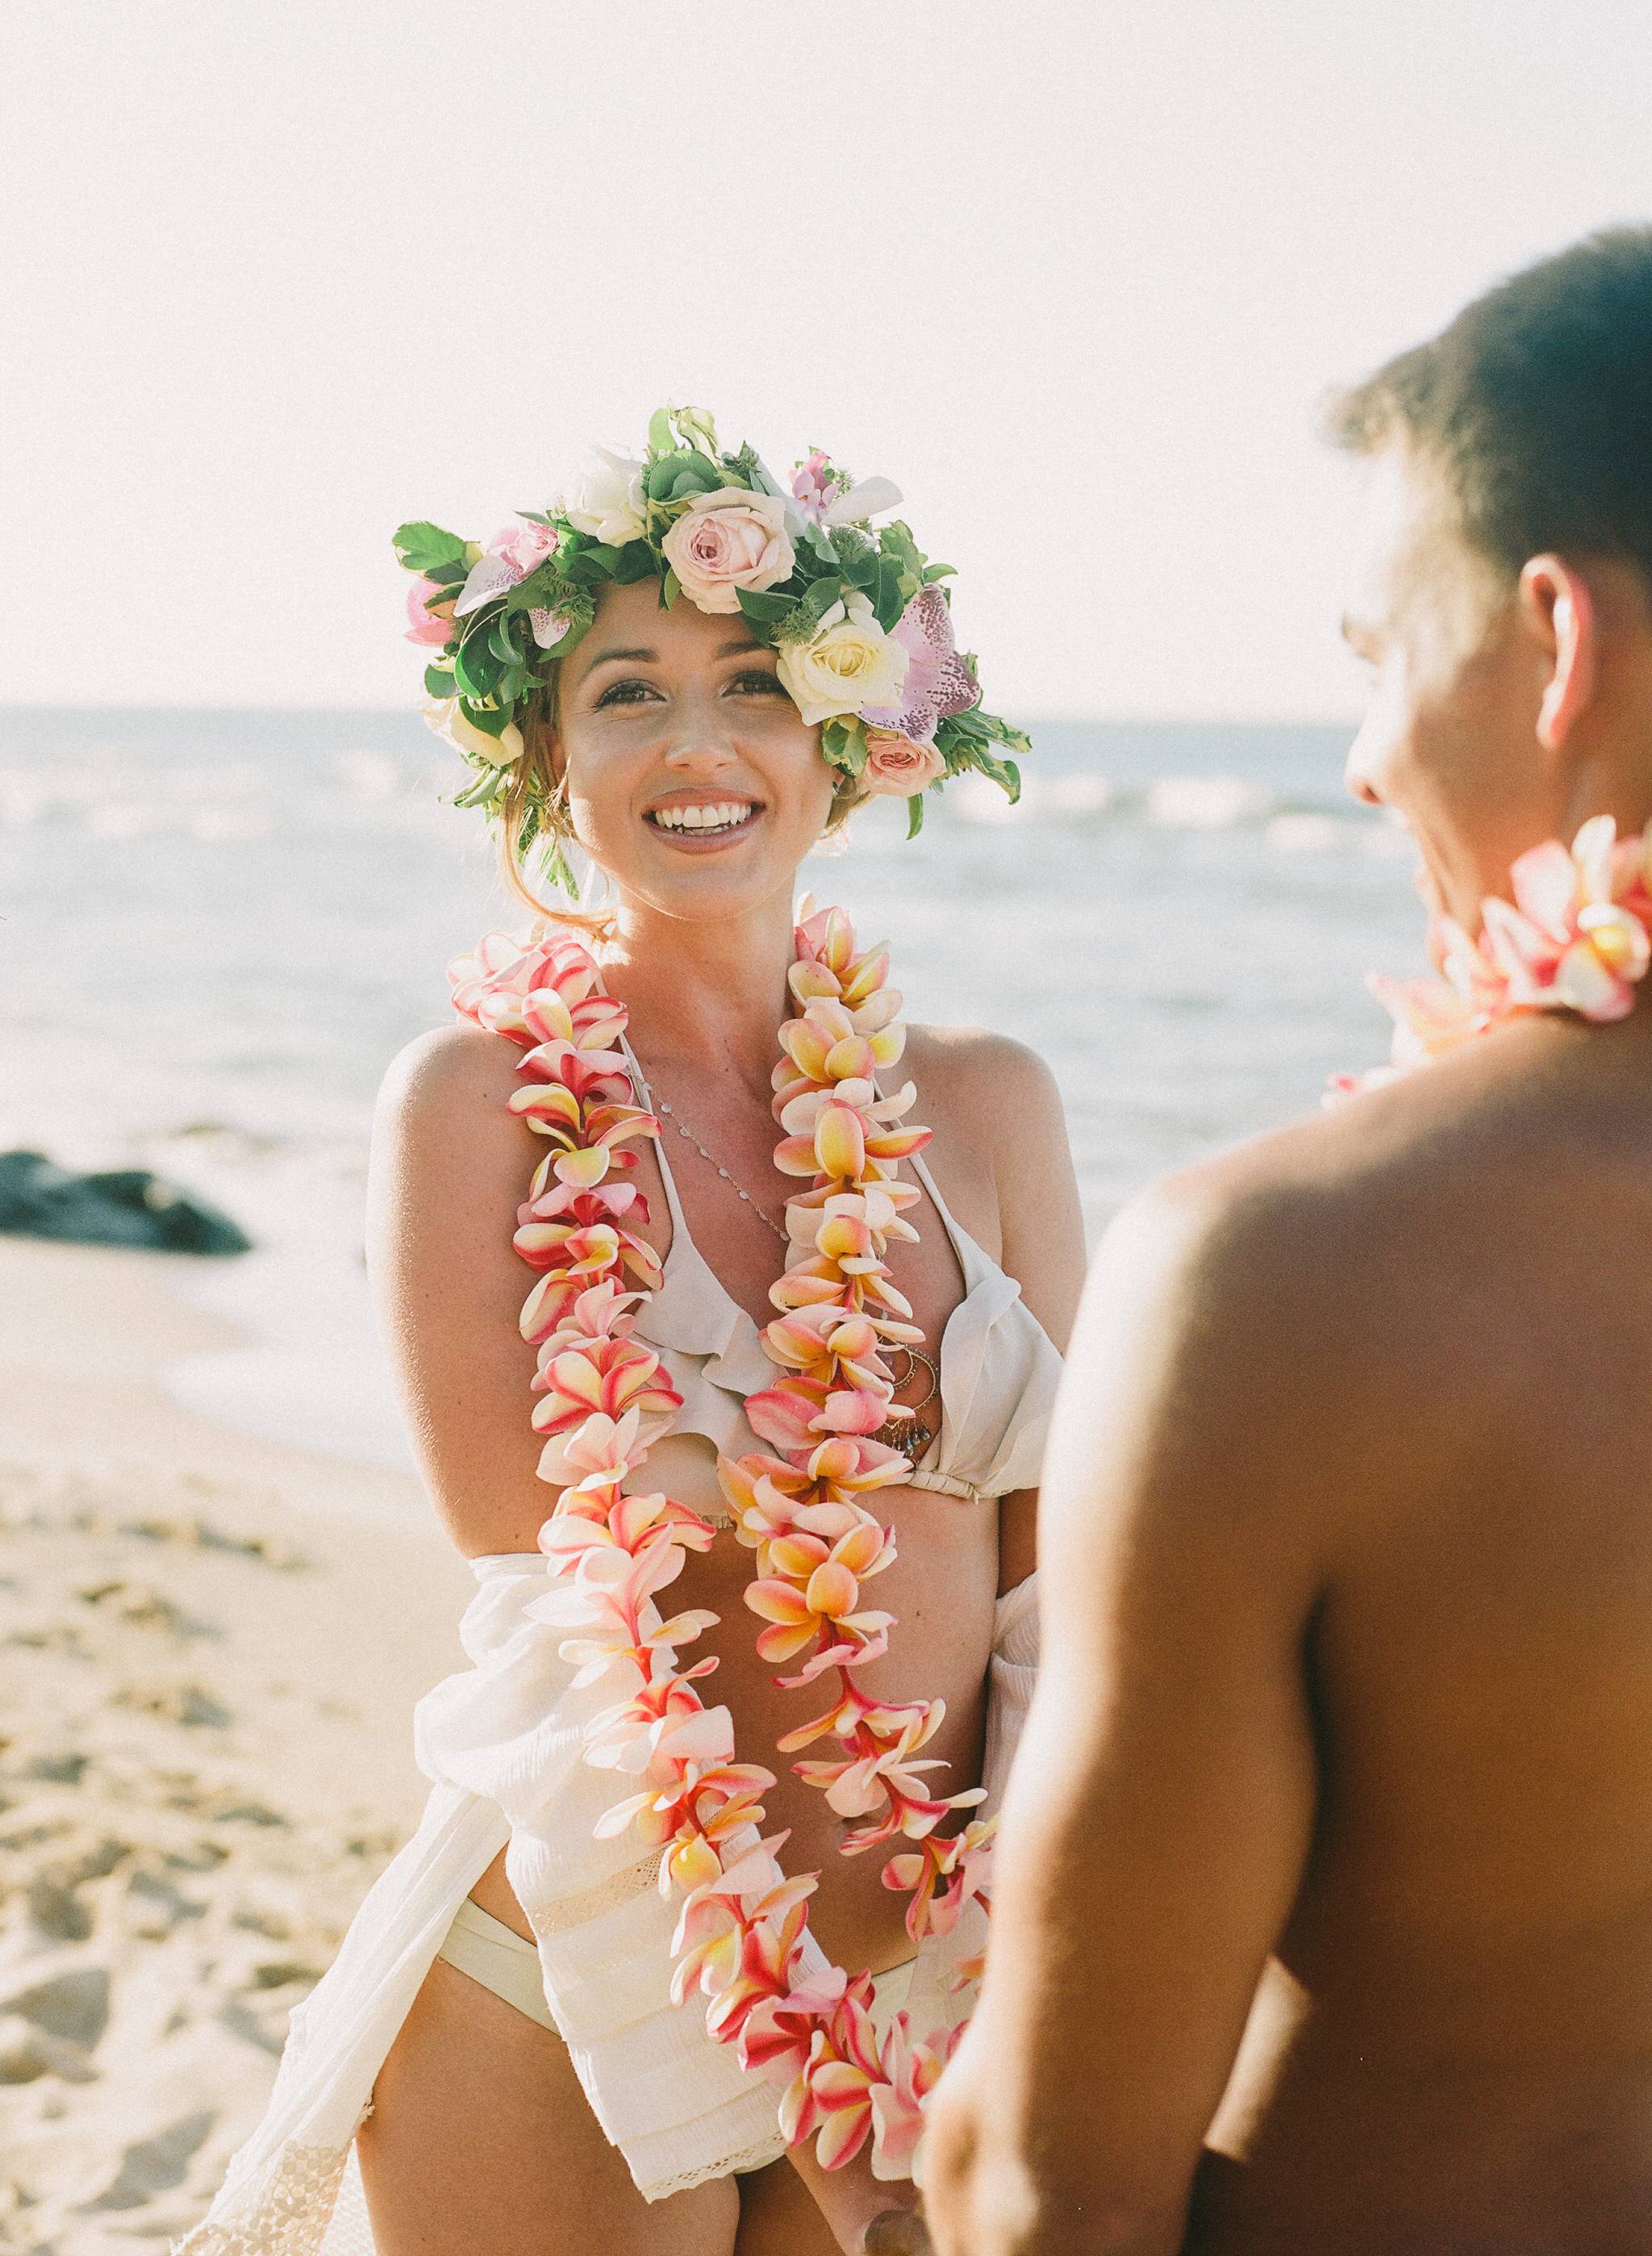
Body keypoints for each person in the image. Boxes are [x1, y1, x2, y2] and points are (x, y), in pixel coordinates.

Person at [177, 410, 1084, 2256]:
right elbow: (511, 1510)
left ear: (846, 739)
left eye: (754, 682)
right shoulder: (474, 1100)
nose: (697, 744)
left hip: (930, 1960)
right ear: (543, 756)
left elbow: (1062, 1562)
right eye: (626, 692)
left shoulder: (987, 1106)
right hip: (593, 1941)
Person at [923, 227, 1652, 2255]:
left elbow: (1042, 2184)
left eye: (1369, 658)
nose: (1357, 762)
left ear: (1551, 637)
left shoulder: (1289, 1276)